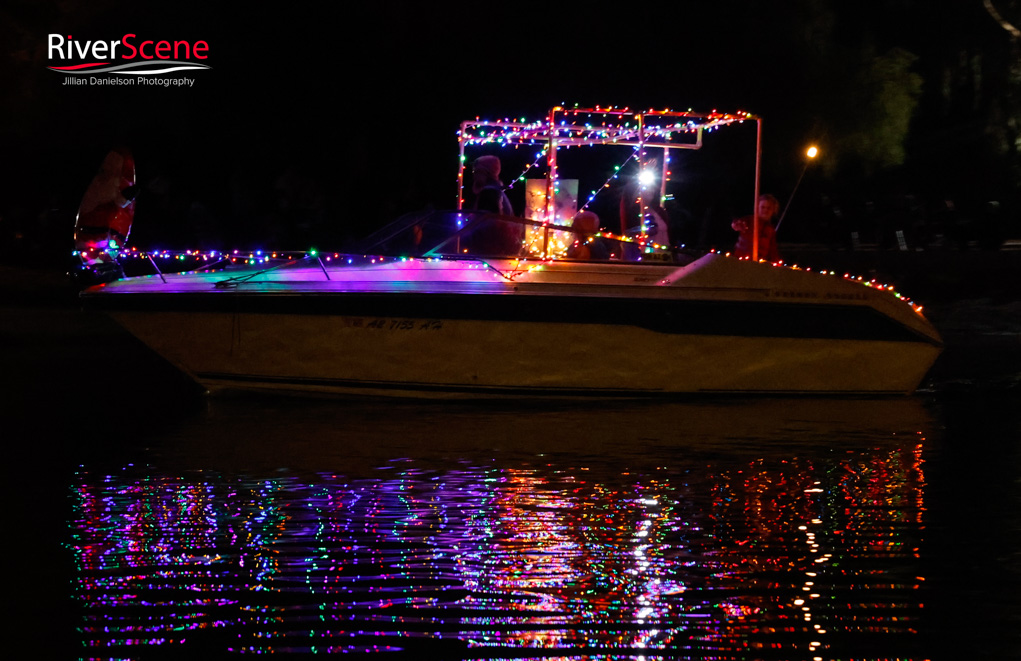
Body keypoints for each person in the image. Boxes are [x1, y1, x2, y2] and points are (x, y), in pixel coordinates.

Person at [731, 194, 781, 261]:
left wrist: (776, 262)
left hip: (759, 262)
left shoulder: (771, 229)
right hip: (742, 260)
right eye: (763, 207)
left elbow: (772, 249)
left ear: (773, 210)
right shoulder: (749, 220)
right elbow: (737, 223)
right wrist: (736, 224)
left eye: (769, 208)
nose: (765, 210)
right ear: (757, 208)